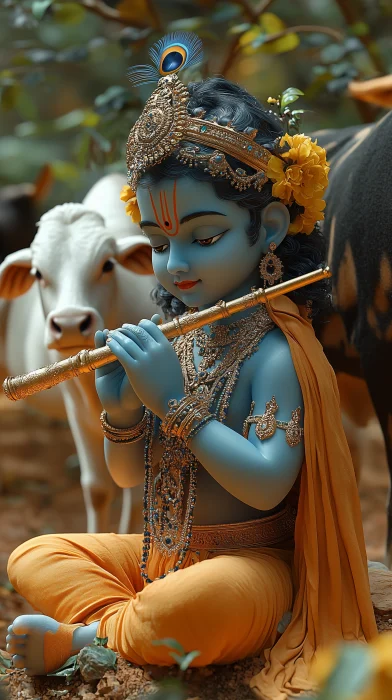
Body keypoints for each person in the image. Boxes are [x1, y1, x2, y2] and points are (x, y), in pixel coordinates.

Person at [6, 33, 377, 700]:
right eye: (157, 242)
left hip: (253, 568)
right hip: (161, 557)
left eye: (203, 240)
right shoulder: (179, 337)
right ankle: (138, 623)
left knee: (194, 607)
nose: (175, 266)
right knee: (35, 557)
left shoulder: (275, 352)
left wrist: (177, 403)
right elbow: (126, 474)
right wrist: (120, 411)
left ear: (265, 229)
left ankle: (95, 639)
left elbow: (266, 487)